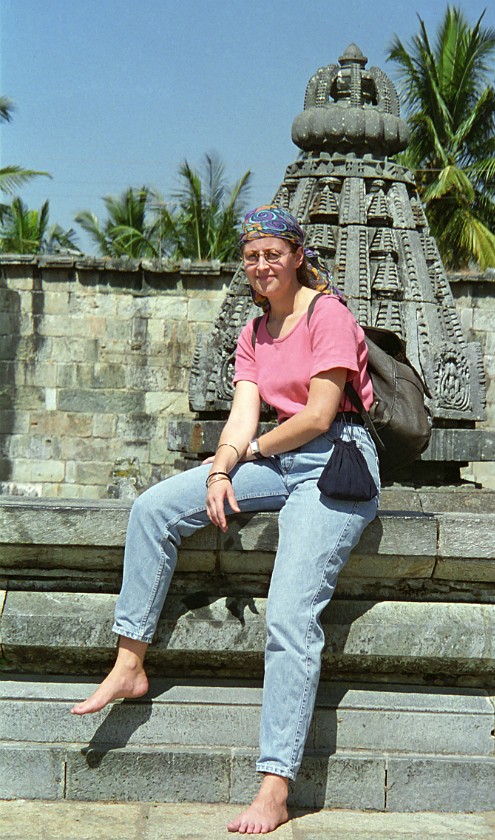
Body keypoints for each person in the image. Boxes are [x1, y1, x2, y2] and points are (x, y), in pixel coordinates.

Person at [71, 205, 380, 834]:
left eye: (272, 254)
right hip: (276, 452)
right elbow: (244, 415)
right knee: (154, 507)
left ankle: (274, 787)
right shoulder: (255, 331)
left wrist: (249, 455)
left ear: (298, 256)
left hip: (335, 461)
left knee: (291, 613)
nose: (261, 265)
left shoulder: (329, 315)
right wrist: (219, 472)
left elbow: (319, 416)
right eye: (251, 255)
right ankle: (130, 661)